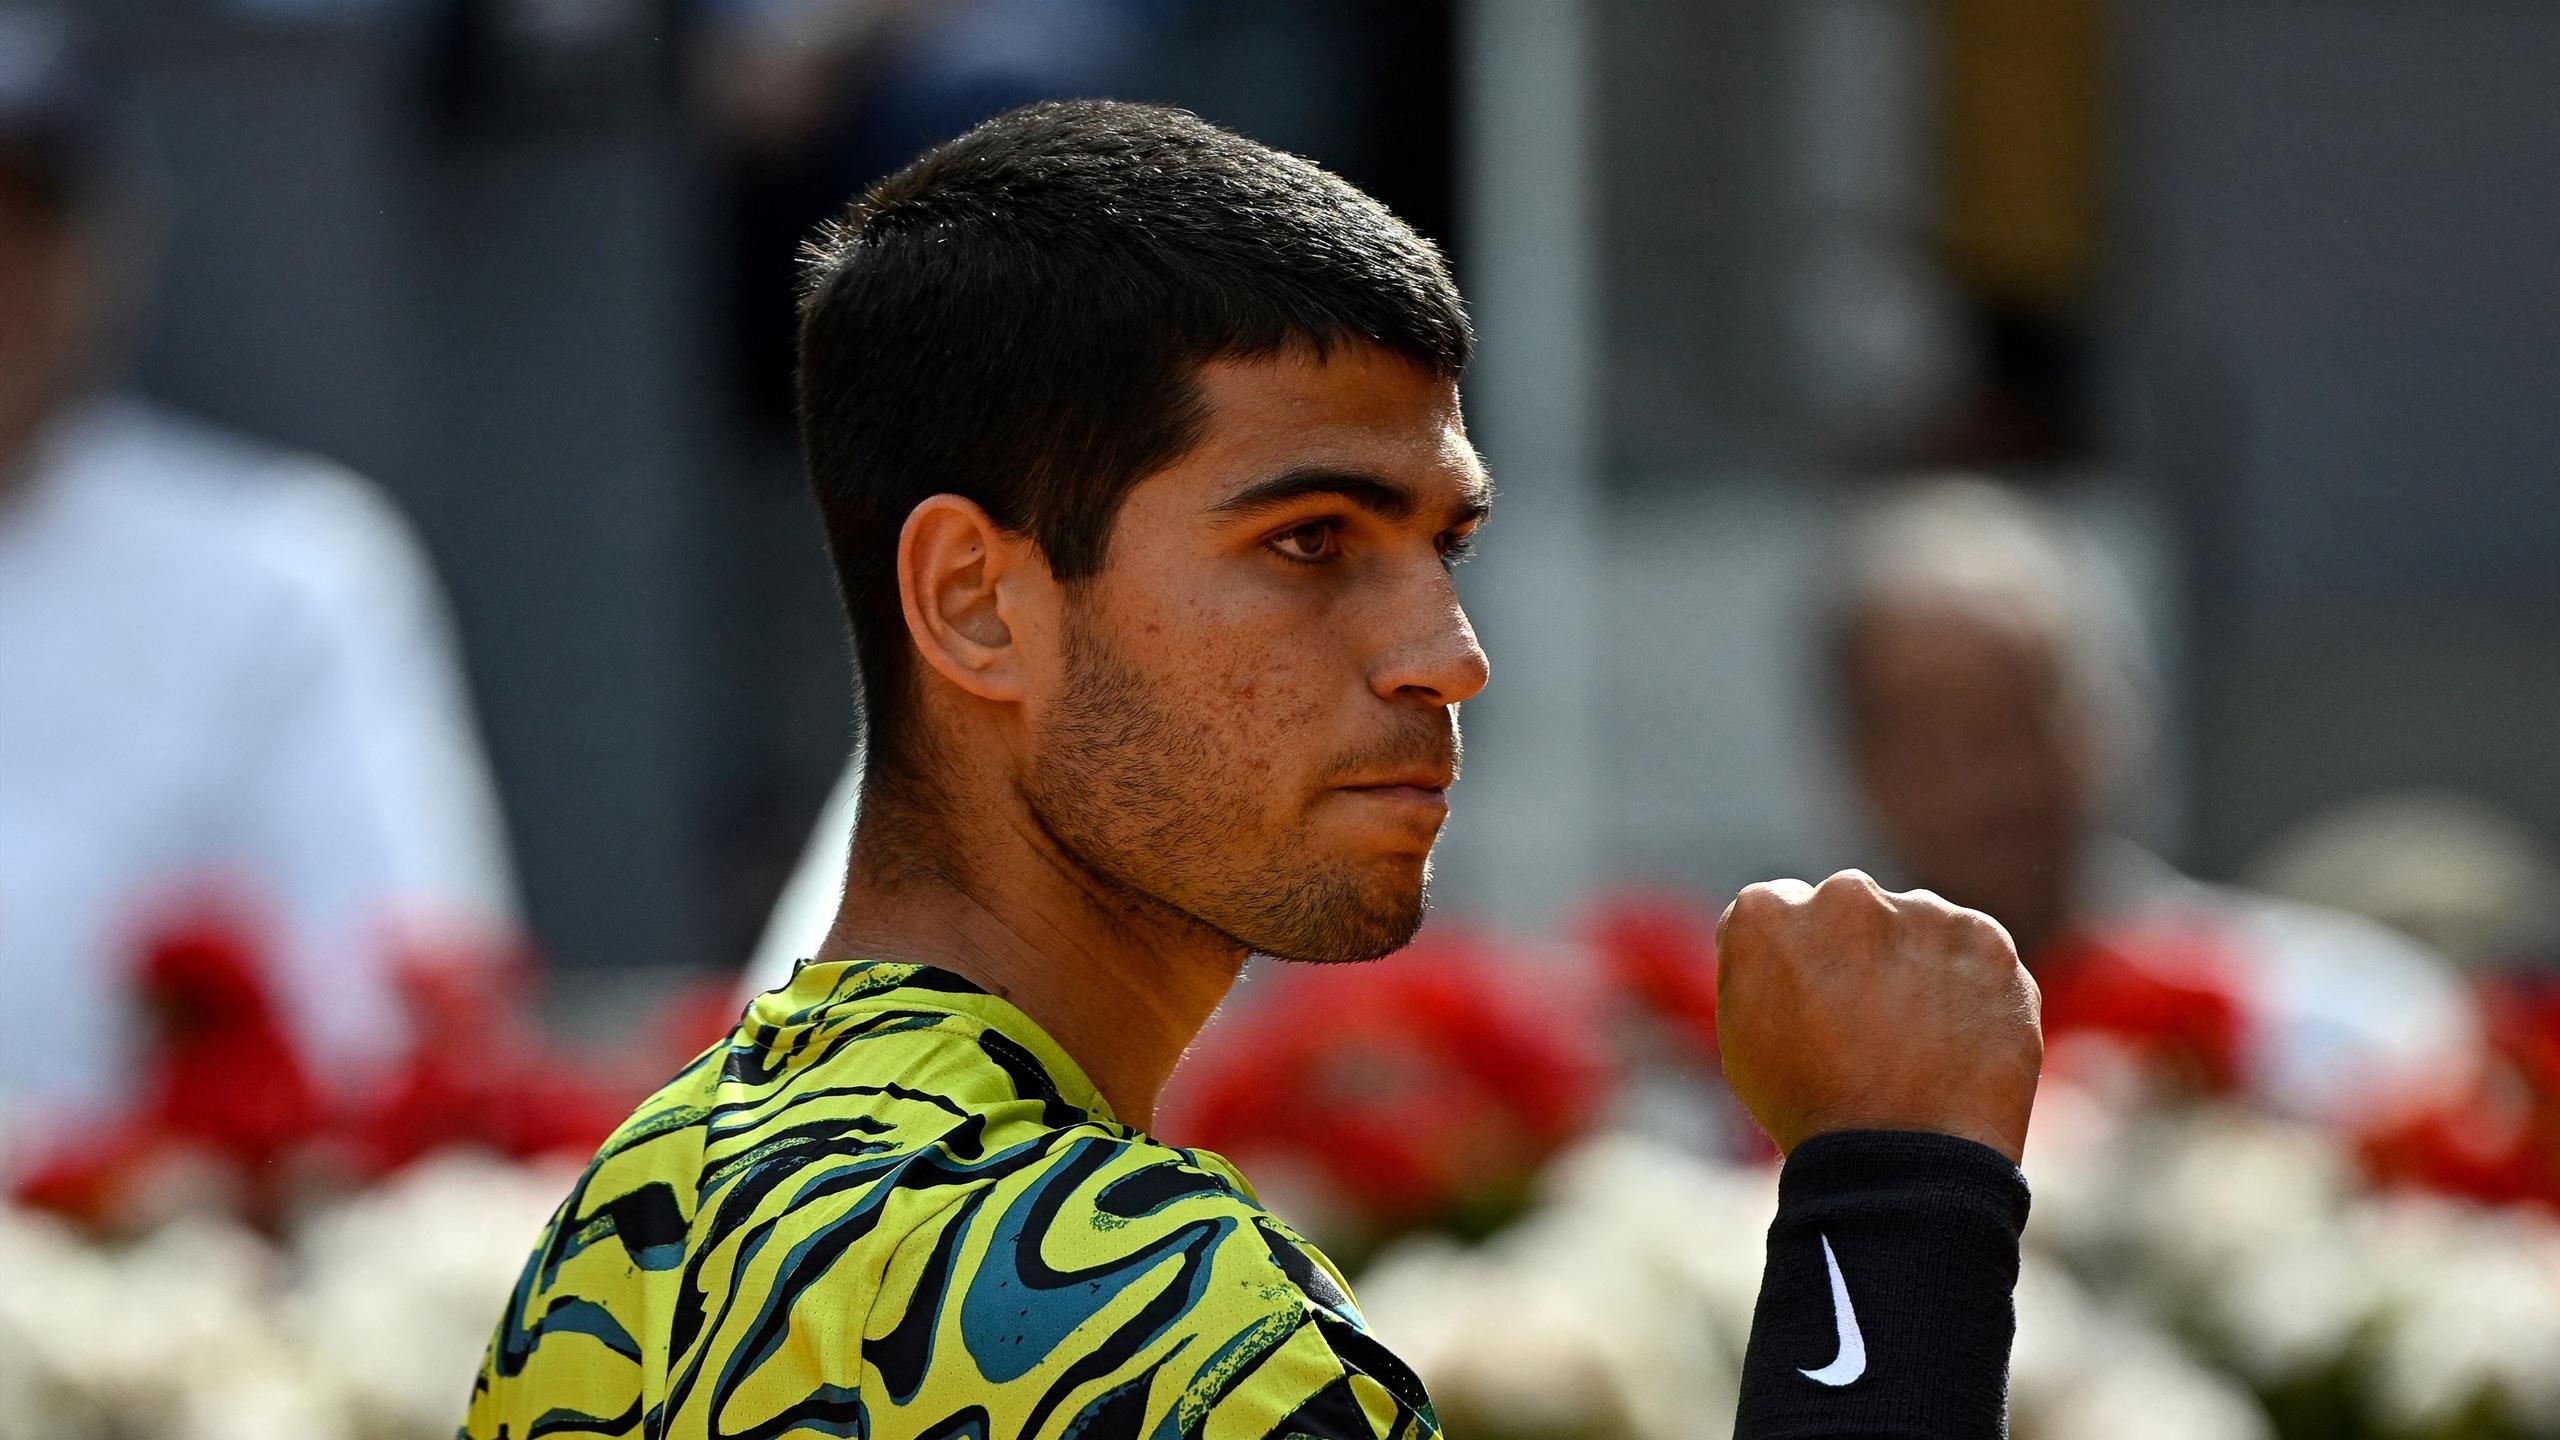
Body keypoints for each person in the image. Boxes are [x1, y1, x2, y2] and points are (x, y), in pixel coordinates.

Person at [465, 101, 2042, 1440]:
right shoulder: (1147, 1307)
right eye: (1309, 541)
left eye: (1445, 545)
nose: (1448, 650)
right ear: (972, 600)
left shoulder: (627, 1220)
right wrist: (1895, 1208)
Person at [0, 10, 520, 1113]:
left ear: (103, 250)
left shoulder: (291, 569)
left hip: (158, 1262)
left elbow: (409, 1016)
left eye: (22, 219)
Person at [1828, 479, 2471, 1121]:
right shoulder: (1785, 1068)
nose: (1983, 787)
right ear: (1854, 765)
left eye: (2015, 727)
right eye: (1923, 739)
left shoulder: (2338, 1020)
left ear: (2118, 722)